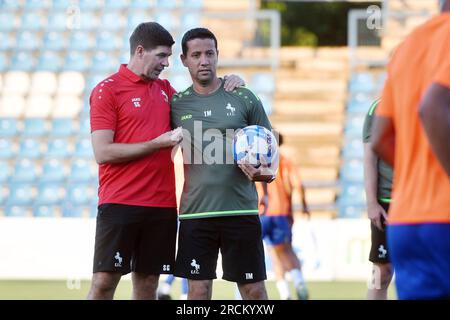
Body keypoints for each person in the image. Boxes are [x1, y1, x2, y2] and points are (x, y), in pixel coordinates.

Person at [87, 22, 244, 300]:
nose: (166, 63)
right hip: (119, 202)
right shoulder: (107, 90)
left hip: (161, 205)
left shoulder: (167, 91)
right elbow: (103, 152)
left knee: (148, 284)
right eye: (161, 56)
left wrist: (232, 83)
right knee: (103, 282)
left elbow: (203, 104)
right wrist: (156, 144)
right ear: (139, 51)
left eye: (169, 57)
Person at [170, 27, 275, 300]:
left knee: (254, 292)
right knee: (198, 291)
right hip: (196, 214)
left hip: (240, 212)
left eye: (209, 53)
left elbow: (271, 152)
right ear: (184, 59)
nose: (203, 60)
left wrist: (265, 174)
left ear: (217, 55)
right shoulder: (175, 104)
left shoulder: (243, 96)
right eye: (196, 55)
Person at [371, 1, 450, 299]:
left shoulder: (409, 45)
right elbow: (432, 108)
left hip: (408, 221)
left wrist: (419, 178)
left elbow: (379, 137)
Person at [257, 132, 310, 300]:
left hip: (262, 212)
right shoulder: (285, 161)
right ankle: (299, 281)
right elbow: (298, 184)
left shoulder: (258, 158)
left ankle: (284, 293)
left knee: (272, 252)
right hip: (281, 212)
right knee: (286, 250)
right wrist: (304, 206)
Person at [362, 99, 394, 300]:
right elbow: (369, 156)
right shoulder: (379, 108)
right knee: (380, 272)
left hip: (421, 201)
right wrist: (372, 203)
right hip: (386, 201)